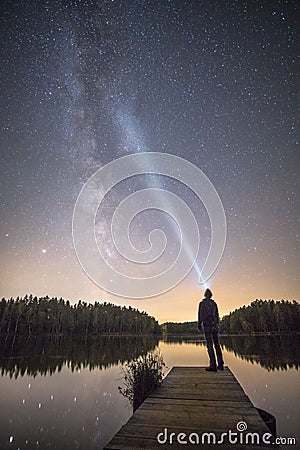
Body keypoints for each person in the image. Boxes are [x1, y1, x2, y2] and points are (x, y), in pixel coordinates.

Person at [198, 288, 224, 372]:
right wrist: (217, 325)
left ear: (205, 295)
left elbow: (200, 315)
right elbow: (217, 315)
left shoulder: (202, 304)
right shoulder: (214, 303)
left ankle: (213, 365)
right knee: (217, 345)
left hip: (207, 326)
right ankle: (220, 365)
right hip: (214, 326)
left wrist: (199, 325)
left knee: (210, 345)